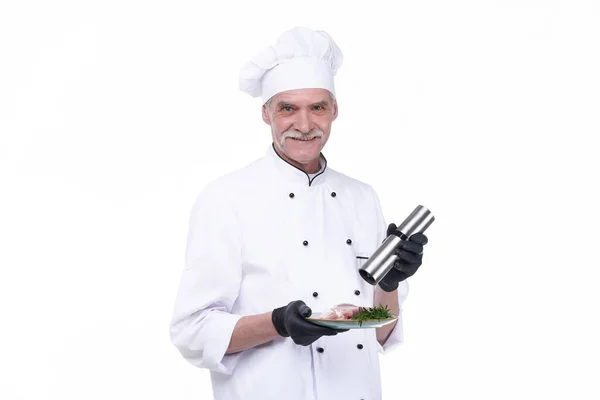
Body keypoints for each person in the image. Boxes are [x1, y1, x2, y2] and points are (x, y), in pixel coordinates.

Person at [169, 26, 429, 400]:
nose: (304, 126)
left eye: (317, 108)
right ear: (266, 113)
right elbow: (192, 332)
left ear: (334, 110)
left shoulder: (361, 197)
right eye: (287, 108)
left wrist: (388, 285)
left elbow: (379, 331)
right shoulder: (227, 198)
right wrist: (278, 323)